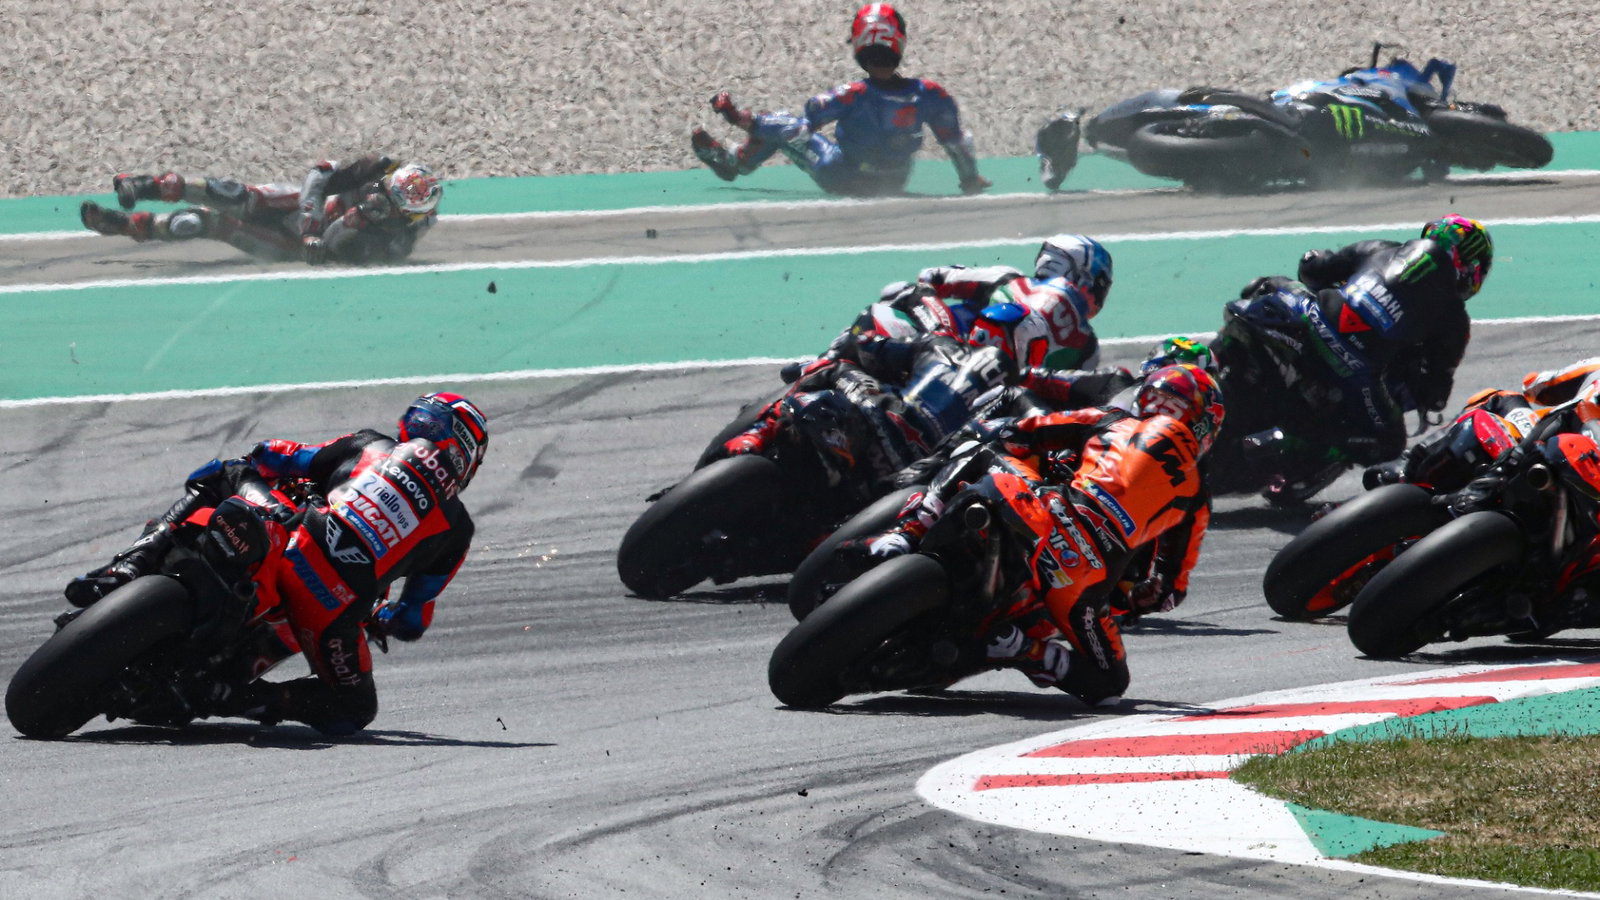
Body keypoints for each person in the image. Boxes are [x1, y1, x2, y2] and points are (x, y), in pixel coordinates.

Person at [64, 392, 487, 735]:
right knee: (354, 709)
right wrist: (383, 616)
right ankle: (233, 696)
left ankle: (130, 564)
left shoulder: (371, 445)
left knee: (226, 471)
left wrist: (264, 470)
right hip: (329, 606)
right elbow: (412, 621)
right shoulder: (457, 529)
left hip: (286, 535)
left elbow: (275, 454)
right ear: (466, 458)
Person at [853, 364, 1221, 704]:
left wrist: (1006, 436)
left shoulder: (1114, 420)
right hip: (1080, 580)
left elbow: (1025, 431)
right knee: (1110, 685)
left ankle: (907, 530)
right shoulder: (1196, 496)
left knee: (984, 451)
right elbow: (1168, 590)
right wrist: (1136, 599)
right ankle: (1022, 649)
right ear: (1206, 429)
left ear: (1146, 398)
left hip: (1042, 511)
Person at [1236, 214, 1491, 465]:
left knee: (1267, 285)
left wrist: (1323, 266)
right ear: (1472, 268)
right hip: (1357, 368)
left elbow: (1313, 269)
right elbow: (1435, 394)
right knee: (1389, 444)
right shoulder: (1454, 317)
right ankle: (1275, 441)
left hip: (1311, 315)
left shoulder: (1382, 248)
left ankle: (1227, 358)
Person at [690, 4, 989, 197]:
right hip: (895, 182)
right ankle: (736, 156)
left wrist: (737, 117)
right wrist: (970, 180)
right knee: (786, 126)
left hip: (843, 178)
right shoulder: (931, 94)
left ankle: (733, 163)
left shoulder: (849, 95)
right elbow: (957, 143)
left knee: (783, 124)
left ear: (859, 45)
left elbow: (799, 125)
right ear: (900, 42)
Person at [79, 152, 440, 265]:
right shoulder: (376, 168)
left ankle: (127, 225)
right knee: (237, 195)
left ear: (409, 217)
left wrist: (354, 219)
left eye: (388, 204)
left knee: (201, 223)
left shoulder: (397, 244)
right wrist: (313, 224)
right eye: (383, 191)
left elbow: (333, 250)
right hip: (303, 206)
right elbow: (318, 176)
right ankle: (143, 184)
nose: (377, 198)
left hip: (292, 245)